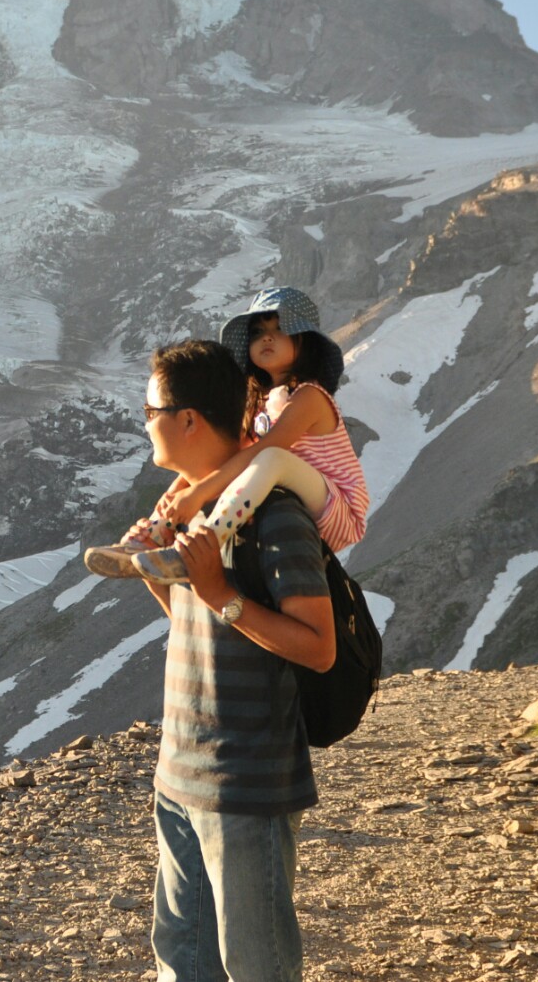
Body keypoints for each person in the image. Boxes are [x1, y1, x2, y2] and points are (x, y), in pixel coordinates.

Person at [129, 338, 335, 982]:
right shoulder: (193, 510)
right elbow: (206, 630)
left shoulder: (273, 514)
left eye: (150, 407)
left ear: (188, 418)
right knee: (183, 965)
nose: (144, 421)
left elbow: (318, 648)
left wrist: (220, 592)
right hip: (180, 775)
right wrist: (158, 575)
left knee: (257, 966)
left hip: (244, 783)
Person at [86, 286, 368, 582]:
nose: (267, 337)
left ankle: (205, 543)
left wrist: (202, 492)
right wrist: (186, 491)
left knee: (272, 457)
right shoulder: (259, 403)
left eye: (281, 329)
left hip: (338, 509)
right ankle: (148, 538)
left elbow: (266, 450)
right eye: (258, 332)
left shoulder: (309, 396)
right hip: (294, 497)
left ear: (306, 342)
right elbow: (239, 454)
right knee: (189, 477)